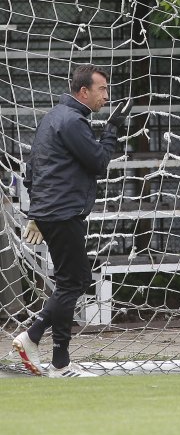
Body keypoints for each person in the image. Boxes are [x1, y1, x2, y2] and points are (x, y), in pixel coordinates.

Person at [12, 64, 131, 378]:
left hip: (53, 213)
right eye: (102, 89)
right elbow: (99, 161)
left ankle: (58, 361)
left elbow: (32, 170)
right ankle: (36, 341)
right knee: (72, 283)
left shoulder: (54, 117)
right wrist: (113, 129)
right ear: (84, 92)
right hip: (63, 213)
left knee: (73, 281)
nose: (107, 95)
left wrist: (37, 214)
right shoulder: (73, 121)